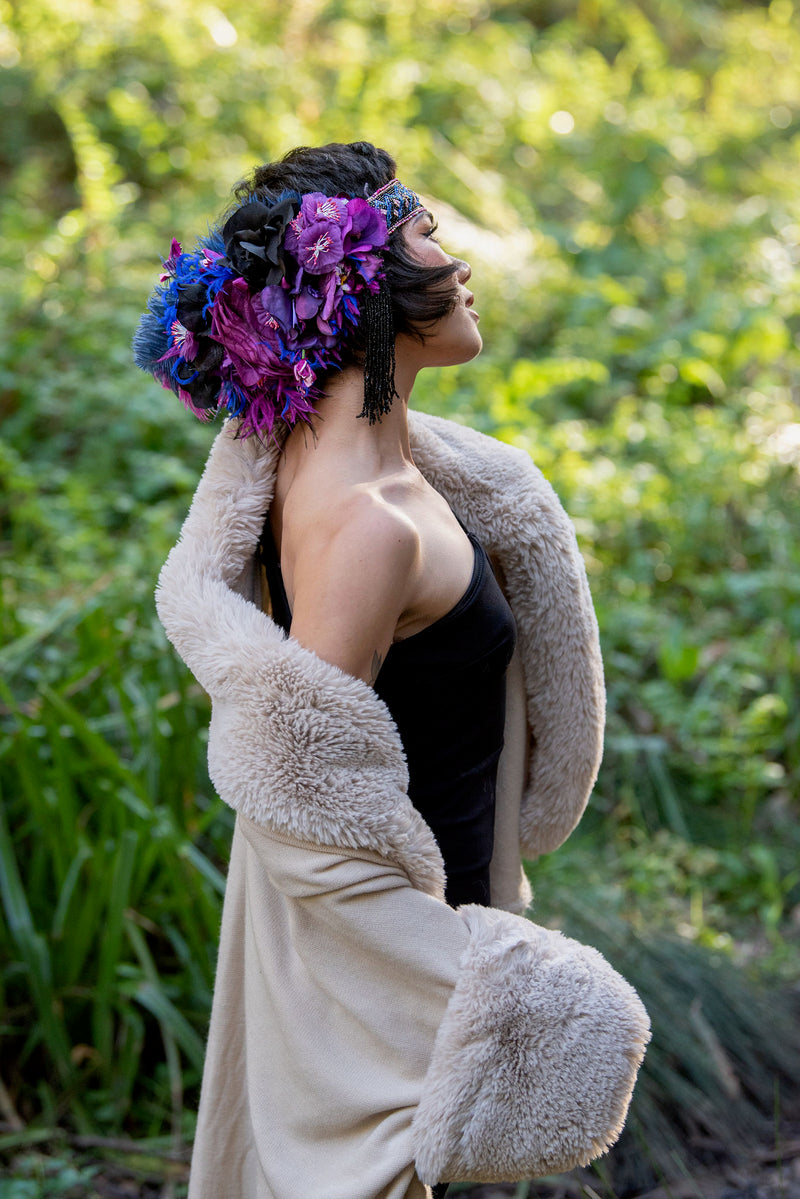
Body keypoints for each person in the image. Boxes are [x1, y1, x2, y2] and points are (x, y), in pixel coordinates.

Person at [135, 141, 649, 1199]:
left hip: (440, 946)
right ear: (359, 279)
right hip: (398, 1003)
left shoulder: (382, 470)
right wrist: (471, 973)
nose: (457, 260)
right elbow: (301, 801)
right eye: (425, 233)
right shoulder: (366, 524)